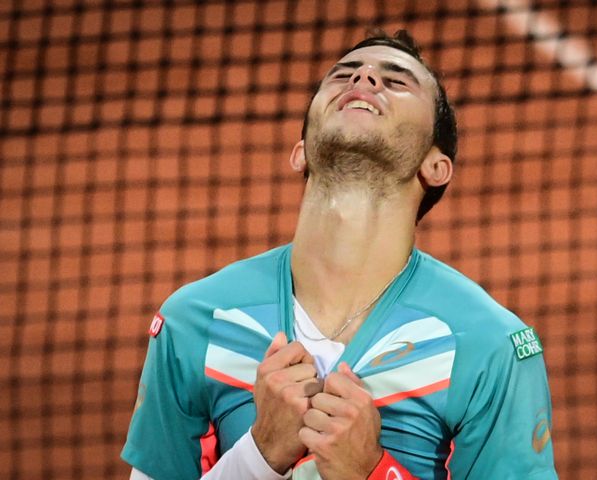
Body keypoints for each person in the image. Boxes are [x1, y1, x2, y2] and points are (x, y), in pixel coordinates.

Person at [122, 29, 558, 479]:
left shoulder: (487, 344)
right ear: (301, 153)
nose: (365, 77)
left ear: (436, 166)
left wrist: (370, 471)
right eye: (344, 75)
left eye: (396, 80)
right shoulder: (196, 319)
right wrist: (260, 453)